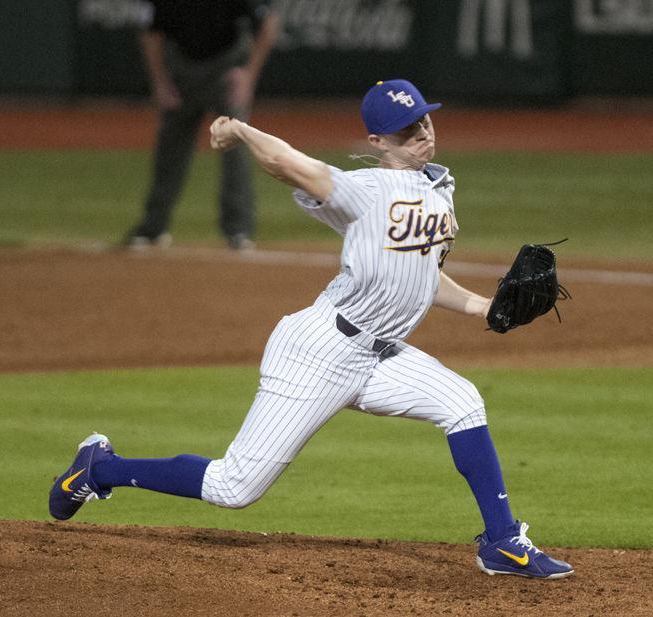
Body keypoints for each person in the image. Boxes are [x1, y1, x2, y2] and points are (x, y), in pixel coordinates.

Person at [51, 79, 573, 579]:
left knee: (462, 402)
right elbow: (284, 162)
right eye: (408, 128)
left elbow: (423, 275)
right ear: (376, 140)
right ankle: (99, 467)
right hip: (319, 352)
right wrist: (239, 130)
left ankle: (503, 541)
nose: (423, 134)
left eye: (425, 122)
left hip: (382, 357)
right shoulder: (361, 190)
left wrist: (483, 306)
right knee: (234, 487)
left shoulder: (439, 189)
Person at [124, 0, 279, 250]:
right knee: (169, 151)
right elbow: (151, 32)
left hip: (227, 64)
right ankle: (153, 227)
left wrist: (248, 77)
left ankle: (238, 230)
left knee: (235, 147)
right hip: (181, 66)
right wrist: (160, 83)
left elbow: (269, 22)